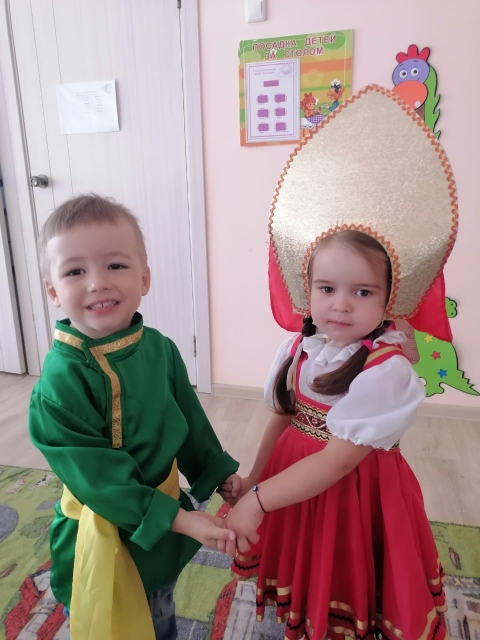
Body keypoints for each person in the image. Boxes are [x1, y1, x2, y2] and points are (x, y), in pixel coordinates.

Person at [219, 85, 457, 640]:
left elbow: (335, 464)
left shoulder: (386, 371)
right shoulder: (299, 347)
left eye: (362, 292)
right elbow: (281, 417)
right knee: (303, 562)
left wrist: (260, 499)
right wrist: (255, 478)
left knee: (344, 573)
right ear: (306, 288)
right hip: (289, 481)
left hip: (350, 493)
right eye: (327, 288)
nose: (341, 305)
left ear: (390, 298)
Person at [29, 194, 241, 640]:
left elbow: (188, 419)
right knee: (112, 617)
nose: (97, 283)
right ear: (53, 292)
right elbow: (97, 478)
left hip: (160, 530)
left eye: (115, 265)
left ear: (144, 278)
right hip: (102, 529)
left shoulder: (159, 347)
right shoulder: (58, 383)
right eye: (75, 271)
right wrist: (180, 519)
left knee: (158, 608)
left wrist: (215, 471)